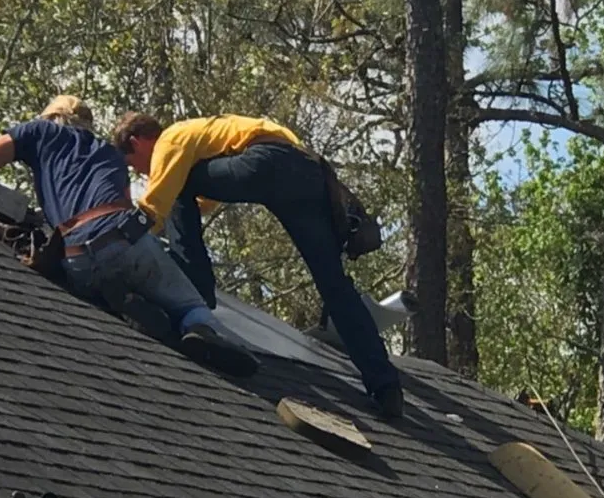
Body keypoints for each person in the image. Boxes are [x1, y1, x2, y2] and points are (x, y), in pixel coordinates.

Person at [109, 111, 405, 418]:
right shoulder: (202, 136)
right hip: (307, 172)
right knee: (334, 286)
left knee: (177, 185)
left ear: (137, 142)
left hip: (267, 162)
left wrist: (118, 238)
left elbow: (156, 204)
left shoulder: (170, 139)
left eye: (133, 164)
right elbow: (206, 201)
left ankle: (196, 288)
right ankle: (385, 386)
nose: (141, 172)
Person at [0, 95, 258, 378]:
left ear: (50, 116)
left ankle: (129, 303)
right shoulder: (109, 153)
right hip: (123, 239)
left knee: (100, 280)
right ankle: (196, 327)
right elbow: (127, 208)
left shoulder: (37, 132)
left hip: (76, 260)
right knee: (189, 305)